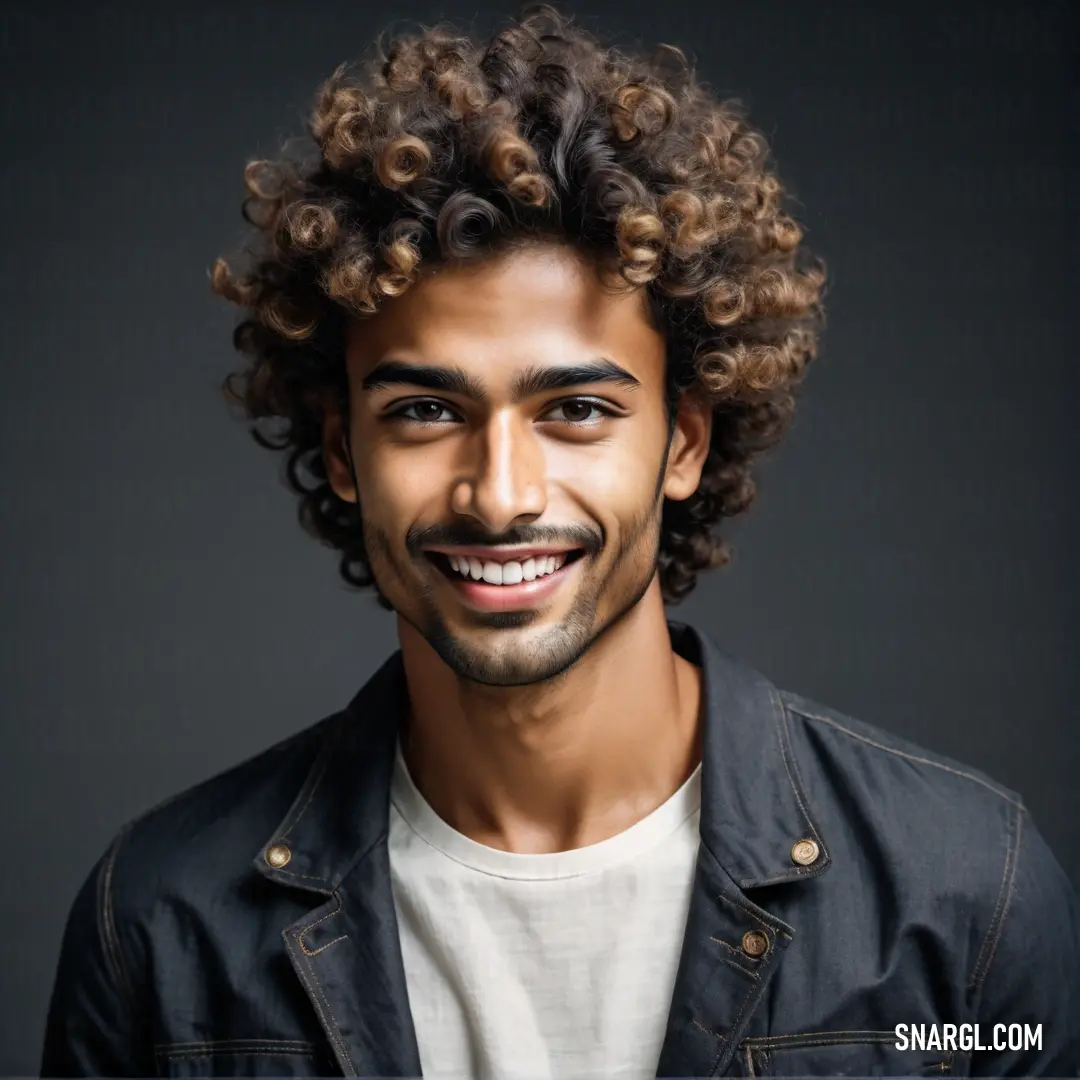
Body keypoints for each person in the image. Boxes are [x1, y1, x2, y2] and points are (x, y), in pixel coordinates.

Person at [41, 8, 1079, 1078]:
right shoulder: (159, 930)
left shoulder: (965, 902)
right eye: (423, 413)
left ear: (682, 441)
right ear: (342, 450)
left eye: (577, 411)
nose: (500, 495)